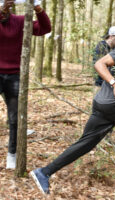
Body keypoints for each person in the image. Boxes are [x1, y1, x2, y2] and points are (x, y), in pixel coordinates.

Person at [30, 21, 115, 195]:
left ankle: (44, 172)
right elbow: (99, 64)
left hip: (104, 104)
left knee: (85, 144)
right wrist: (114, 84)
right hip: (113, 104)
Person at [0, 0, 51, 169]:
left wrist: (37, 7)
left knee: (14, 118)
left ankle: (12, 155)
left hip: (14, 76)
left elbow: (45, 29)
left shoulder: (20, 21)